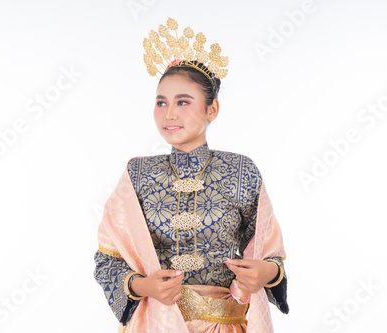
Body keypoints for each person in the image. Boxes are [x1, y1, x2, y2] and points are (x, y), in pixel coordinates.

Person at [94, 18, 288, 333]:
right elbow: (107, 260)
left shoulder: (241, 171)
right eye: (161, 103)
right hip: (157, 324)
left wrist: (267, 273)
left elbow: (271, 254)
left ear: (212, 109)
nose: (169, 113)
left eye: (183, 102)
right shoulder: (138, 175)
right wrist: (144, 288)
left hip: (226, 325)